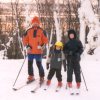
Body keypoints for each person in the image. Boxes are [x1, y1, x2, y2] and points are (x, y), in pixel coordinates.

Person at [23, 16, 48, 84]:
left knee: (39, 64)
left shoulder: (42, 31)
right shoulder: (28, 31)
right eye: (34, 23)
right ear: (32, 23)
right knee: (30, 64)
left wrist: (42, 46)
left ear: (39, 23)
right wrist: (27, 46)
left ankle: (42, 76)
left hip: (38, 52)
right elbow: (25, 40)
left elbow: (45, 40)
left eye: (37, 23)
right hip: (30, 51)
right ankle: (31, 76)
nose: (35, 24)